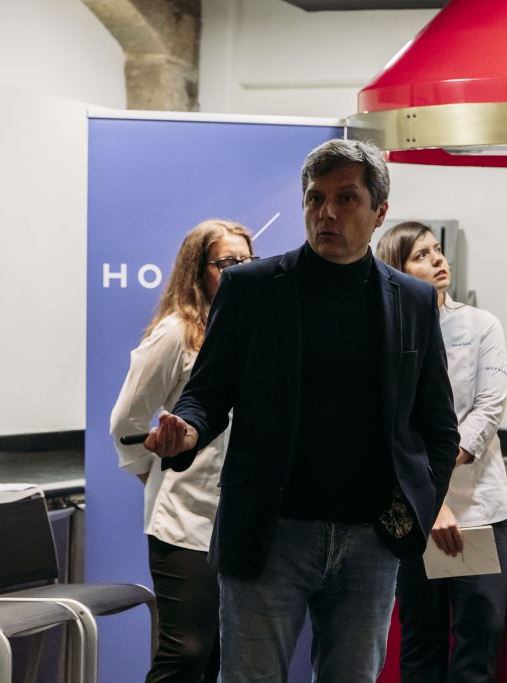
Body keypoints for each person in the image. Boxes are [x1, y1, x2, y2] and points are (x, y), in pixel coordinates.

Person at [142, 138, 461, 683]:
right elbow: (206, 393)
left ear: (379, 212)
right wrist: (188, 429)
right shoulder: (251, 288)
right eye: (316, 198)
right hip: (271, 534)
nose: (326, 212)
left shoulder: (411, 300)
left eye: (346, 198)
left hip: (371, 540)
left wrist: (413, 508)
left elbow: (438, 425)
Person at [109, 218, 255, 683]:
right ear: (198, 270)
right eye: (228, 263)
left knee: (219, 654)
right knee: (186, 652)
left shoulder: (255, 330)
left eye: (248, 261)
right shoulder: (176, 333)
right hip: (184, 521)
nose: (240, 271)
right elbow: (126, 422)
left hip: (239, 519)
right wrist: (155, 475)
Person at [378, 221, 507, 683]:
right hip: (413, 513)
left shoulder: (480, 325)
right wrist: (428, 501)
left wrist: (431, 483)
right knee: (421, 644)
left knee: (480, 637)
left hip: (478, 510)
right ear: (396, 268)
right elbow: (387, 428)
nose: (438, 259)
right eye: (421, 255)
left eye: (437, 250)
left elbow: (488, 410)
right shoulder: (383, 332)